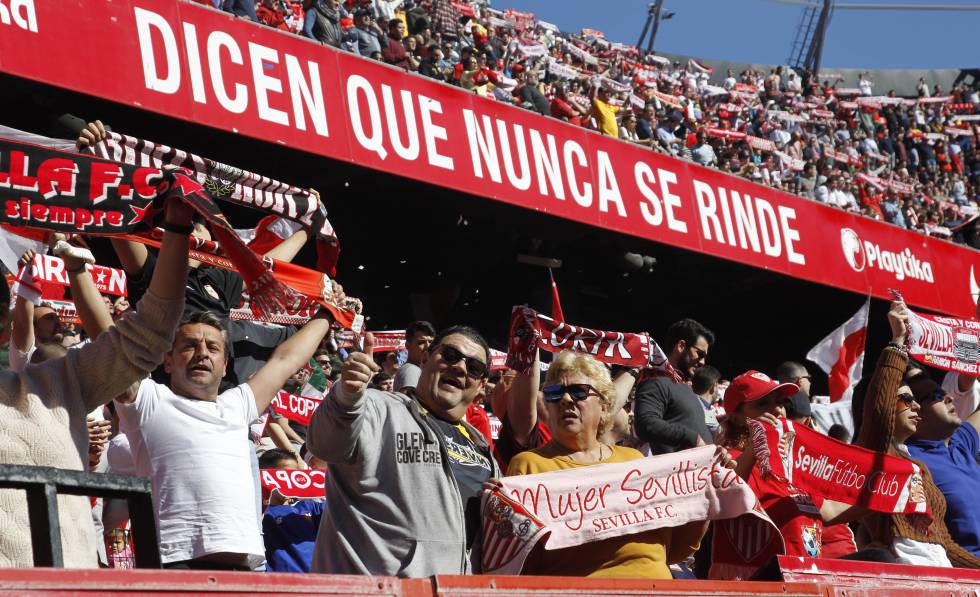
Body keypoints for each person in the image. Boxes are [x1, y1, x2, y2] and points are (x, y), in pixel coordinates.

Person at [0, 199, 193, 567]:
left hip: (67, 586)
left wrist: (178, 224)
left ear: (3, 322)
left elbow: (150, 332)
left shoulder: (58, 384)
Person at [116, 302, 336, 570]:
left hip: (243, 570)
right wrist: (80, 277)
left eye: (213, 347)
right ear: (168, 360)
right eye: (190, 345)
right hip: (174, 565)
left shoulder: (238, 405)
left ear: (224, 365)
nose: (202, 353)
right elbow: (111, 345)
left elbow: (286, 360)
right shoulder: (149, 401)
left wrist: (329, 313)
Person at [506, 350, 718, 578]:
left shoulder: (634, 461)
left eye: (578, 391)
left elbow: (674, 550)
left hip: (656, 589)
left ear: (605, 406)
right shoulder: (530, 466)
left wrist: (706, 488)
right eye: (554, 393)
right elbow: (519, 562)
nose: (565, 399)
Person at [307, 326, 500, 576]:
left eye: (474, 367)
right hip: (373, 589)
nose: (461, 368)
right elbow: (325, 445)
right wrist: (346, 397)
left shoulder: (481, 447)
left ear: (481, 383)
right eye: (451, 355)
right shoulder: (379, 407)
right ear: (425, 358)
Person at [855, 301, 980, 567]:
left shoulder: (959, 445)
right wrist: (898, 341)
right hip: (933, 580)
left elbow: (944, 545)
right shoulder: (895, 459)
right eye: (931, 395)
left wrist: (975, 331)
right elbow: (878, 415)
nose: (947, 396)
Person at [904, 369, 980, 558]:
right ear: (913, 411)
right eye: (936, 395)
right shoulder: (908, 459)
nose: (949, 397)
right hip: (964, 571)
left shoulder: (959, 443)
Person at [633, 319, 714, 455]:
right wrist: (692, 437)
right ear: (681, 346)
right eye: (700, 354)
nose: (702, 362)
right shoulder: (655, 381)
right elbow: (645, 424)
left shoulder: (685, 387)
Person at [393, 320, 435, 392]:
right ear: (407, 345)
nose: (428, 346)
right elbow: (409, 399)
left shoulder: (421, 370)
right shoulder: (411, 370)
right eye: (421, 342)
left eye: (431, 342)